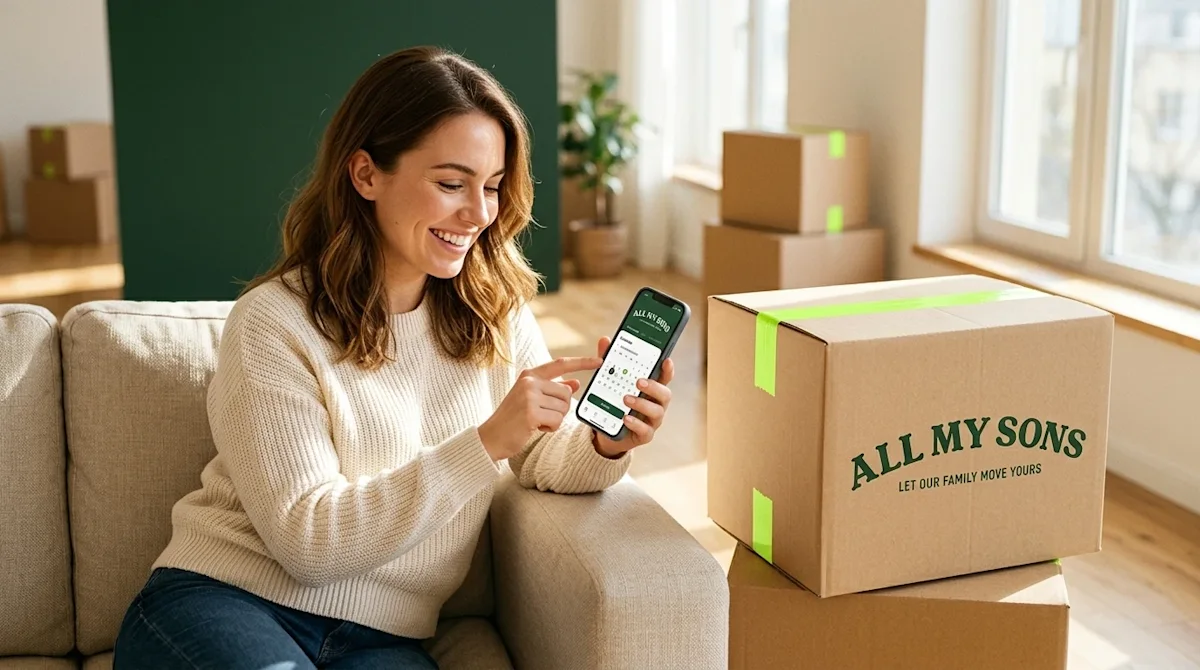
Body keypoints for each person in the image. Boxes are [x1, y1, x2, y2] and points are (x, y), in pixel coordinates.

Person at [112, 45, 674, 670]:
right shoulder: (273, 321)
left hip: (386, 638)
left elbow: (544, 458)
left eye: (491, 187)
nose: (478, 214)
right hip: (229, 602)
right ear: (366, 175)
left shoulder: (494, 315)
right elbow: (308, 544)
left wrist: (607, 443)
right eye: (450, 183)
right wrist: (484, 442)